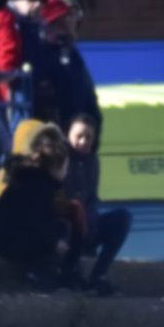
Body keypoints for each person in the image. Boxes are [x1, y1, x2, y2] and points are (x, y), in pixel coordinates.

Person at [0, 122, 71, 289]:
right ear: (57, 166)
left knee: (57, 227)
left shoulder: (33, 178)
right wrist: (55, 242)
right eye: (65, 167)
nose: (66, 174)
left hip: (3, 234)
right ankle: (39, 275)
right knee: (58, 231)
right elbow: (35, 222)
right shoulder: (40, 186)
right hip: (4, 239)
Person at [60, 115, 126, 295]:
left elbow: (92, 198)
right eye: (79, 136)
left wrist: (91, 221)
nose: (83, 142)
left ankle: (98, 276)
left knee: (122, 218)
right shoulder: (60, 159)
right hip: (64, 226)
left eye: (88, 137)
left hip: (87, 223)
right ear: (68, 135)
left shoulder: (92, 162)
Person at [27, 0, 98, 130]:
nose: (63, 29)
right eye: (56, 24)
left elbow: (88, 101)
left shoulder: (72, 56)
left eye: (65, 20)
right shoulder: (39, 58)